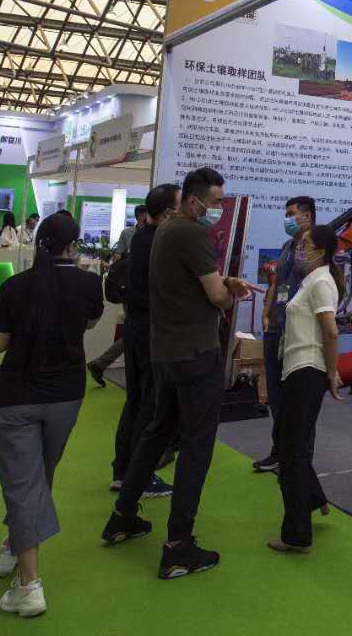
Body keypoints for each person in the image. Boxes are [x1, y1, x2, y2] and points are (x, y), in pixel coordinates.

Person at [102, 167, 256, 580]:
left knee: (157, 431)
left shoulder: (166, 230)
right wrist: (230, 293)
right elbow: (216, 296)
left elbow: (190, 282)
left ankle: (122, 516)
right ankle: (178, 546)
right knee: (196, 447)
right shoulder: (191, 233)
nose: (219, 209)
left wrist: (222, 283)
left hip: (167, 352)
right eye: (216, 201)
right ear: (192, 200)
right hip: (195, 354)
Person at [0, 211, 104, 618]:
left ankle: (29, 586)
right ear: (73, 246)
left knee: (23, 484)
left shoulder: (15, 286)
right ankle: (12, 544)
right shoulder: (89, 284)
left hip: (16, 397)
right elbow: (89, 322)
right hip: (66, 397)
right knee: (39, 477)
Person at [269, 225, 343, 554]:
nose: (300, 249)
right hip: (296, 369)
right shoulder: (311, 280)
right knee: (288, 443)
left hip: (308, 370)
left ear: (321, 251)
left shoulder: (322, 282)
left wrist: (332, 373)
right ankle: (312, 499)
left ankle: (297, 535)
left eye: (306, 245)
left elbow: (331, 331)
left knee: (292, 454)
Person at [109, 187, 177, 498]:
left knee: (135, 402)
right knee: (149, 405)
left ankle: (123, 471)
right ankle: (140, 477)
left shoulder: (140, 237)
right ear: (167, 212)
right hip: (151, 331)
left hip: (137, 328)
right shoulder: (158, 241)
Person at [253, 196, 316, 474]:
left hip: (298, 333)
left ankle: (298, 460)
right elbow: (277, 283)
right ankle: (279, 451)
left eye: (292, 214)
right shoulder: (287, 246)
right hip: (276, 328)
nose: (287, 219)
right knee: (276, 396)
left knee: (297, 401)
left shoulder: (315, 249)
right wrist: (266, 312)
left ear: (307, 217)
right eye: (286, 214)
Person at [88, 204, 150, 387]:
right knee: (136, 330)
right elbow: (118, 257)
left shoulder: (154, 234)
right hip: (131, 289)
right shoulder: (128, 233)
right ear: (140, 217)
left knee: (135, 332)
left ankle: (100, 364)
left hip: (144, 289)